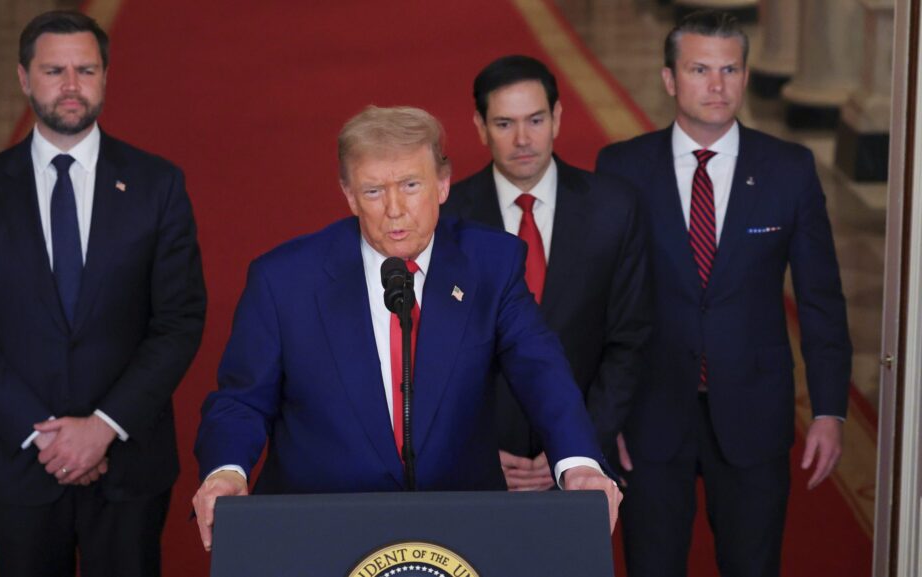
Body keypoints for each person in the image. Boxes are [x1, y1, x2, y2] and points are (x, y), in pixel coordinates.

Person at [192, 105, 622, 551]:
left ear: (442, 183)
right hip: (319, 533)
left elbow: (542, 372)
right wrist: (225, 472)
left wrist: (579, 463)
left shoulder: (491, 265)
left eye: (411, 185)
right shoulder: (284, 280)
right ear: (349, 195)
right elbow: (241, 402)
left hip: (461, 534)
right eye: (374, 191)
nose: (395, 210)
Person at [0, 10, 206, 577]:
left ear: (105, 76)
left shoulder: (158, 185)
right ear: (22, 78)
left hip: (130, 464)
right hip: (22, 463)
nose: (70, 86)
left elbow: (178, 320)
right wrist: (50, 441)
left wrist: (103, 427)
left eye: (85, 70)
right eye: (53, 70)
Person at [595, 10, 852, 577]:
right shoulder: (621, 169)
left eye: (730, 69)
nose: (717, 86)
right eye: (700, 69)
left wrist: (831, 410)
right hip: (649, 417)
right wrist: (602, 419)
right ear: (669, 79)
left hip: (754, 412)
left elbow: (821, 300)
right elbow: (599, 304)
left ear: (744, 75)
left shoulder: (790, 170)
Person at [443, 55, 652, 491]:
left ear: (557, 118)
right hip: (480, 467)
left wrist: (577, 449)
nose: (523, 139)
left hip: (583, 468)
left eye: (535, 120)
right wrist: (474, 451)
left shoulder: (615, 208)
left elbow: (628, 340)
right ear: (479, 127)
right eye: (504, 124)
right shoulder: (447, 221)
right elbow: (434, 353)